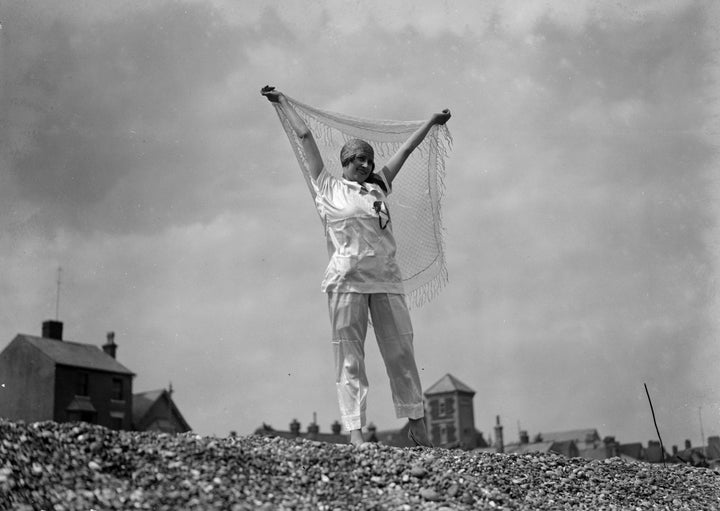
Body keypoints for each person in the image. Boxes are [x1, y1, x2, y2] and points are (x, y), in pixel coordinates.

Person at [261, 85, 451, 447]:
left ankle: (417, 422)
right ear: (345, 161)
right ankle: (355, 432)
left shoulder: (379, 186)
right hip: (346, 282)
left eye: (369, 159)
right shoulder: (327, 186)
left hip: (386, 281)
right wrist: (281, 101)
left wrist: (431, 121)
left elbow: (406, 150)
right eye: (358, 159)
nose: (366, 165)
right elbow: (304, 135)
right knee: (350, 356)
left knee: (401, 351)